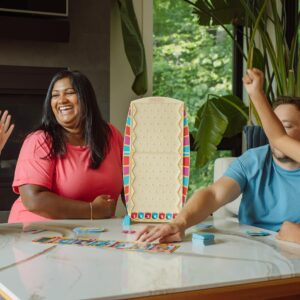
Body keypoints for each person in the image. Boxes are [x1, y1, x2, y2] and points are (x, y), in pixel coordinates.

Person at [136, 96, 300, 243]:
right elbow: (213, 194)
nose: (275, 135)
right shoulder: (253, 160)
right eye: (273, 127)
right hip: (251, 248)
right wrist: (179, 223)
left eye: (285, 127)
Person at [8, 70, 123, 223]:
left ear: (86, 98)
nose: (61, 100)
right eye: (55, 95)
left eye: (69, 93)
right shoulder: (39, 140)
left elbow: (132, 185)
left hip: (93, 231)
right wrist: (92, 210)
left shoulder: (111, 135)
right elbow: (33, 200)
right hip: (38, 231)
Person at [242, 67, 300, 244]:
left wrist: (256, 94)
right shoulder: (253, 160)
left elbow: (279, 137)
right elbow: (278, 137)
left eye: (288, 125)